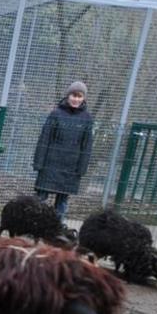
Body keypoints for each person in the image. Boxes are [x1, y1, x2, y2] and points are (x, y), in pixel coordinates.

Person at [32, 80, 93, 220]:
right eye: (73, 95)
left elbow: (87, 146)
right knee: (40, 199)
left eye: (79, 96)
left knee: (62, 203)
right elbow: (44, 139)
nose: (76, 99)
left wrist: (81, 169)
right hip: (50, 165)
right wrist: (38, 163)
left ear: (84, 98)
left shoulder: (87, 119)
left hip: (70, 168)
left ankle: (56, 231)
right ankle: (32, 226)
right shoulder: (56, 114)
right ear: (67, 96)